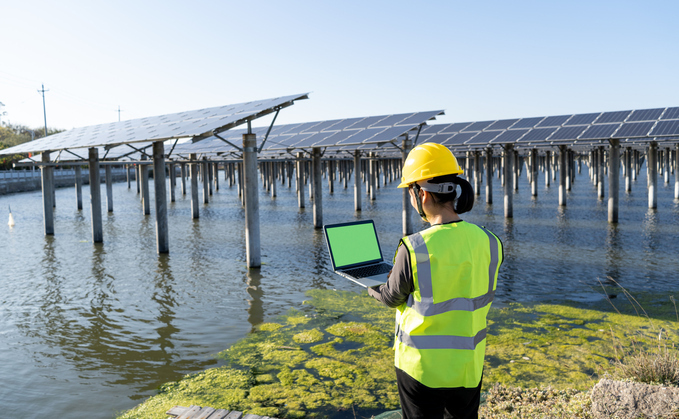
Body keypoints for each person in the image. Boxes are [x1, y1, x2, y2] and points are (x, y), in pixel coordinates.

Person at [368, 142, 503, 419]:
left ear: (423, 194)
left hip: (421, 368)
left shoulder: (414, 247)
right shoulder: (490, 241)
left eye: (410, 190)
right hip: (468, 364)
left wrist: (372, 285)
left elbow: (392, 296)